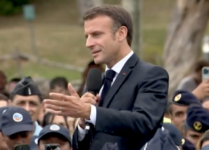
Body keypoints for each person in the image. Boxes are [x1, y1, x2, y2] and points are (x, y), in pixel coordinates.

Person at [44, 4, 169, 150]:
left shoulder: (151, 75)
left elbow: (144, 123)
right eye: (87, 36)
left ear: (121, 33)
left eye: (96, 34)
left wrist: (89, 112)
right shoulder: (96, 81)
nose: (88, 44)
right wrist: (83, 123)